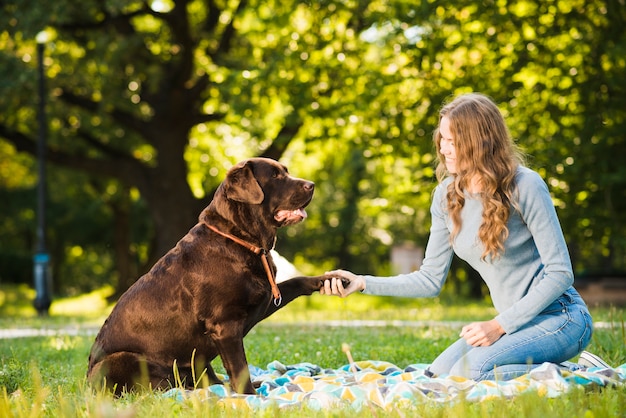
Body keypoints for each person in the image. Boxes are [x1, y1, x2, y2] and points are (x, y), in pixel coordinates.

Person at [321, 92, 610, 380]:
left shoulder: (526, 185)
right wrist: (361, 283)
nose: (445, 149)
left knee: (470, 372)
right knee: (437, 376)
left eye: (454, 141)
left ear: (481, 142)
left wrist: (498, 326)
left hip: (562, 318)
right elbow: (429, 280)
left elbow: (560, 274)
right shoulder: (447, 196)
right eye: (442, 139)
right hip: (517, 326)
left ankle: (583, 374)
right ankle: (564, 371)